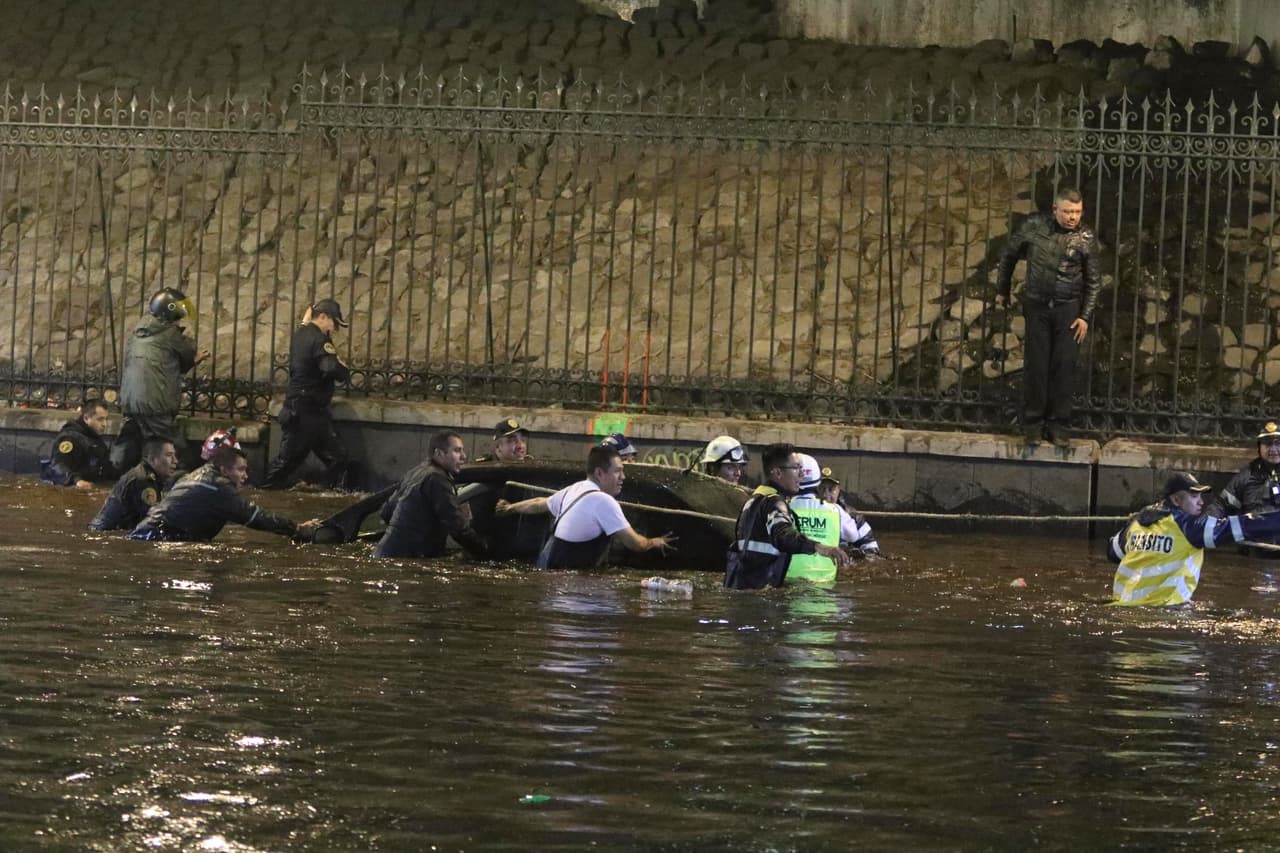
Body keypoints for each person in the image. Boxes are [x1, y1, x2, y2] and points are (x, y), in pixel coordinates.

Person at [995, 186, 1101, 448]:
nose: (1073, 217)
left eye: (1077, 212)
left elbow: (1094, 281)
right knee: (1037, 366)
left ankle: (1059, 425)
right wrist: (1002, 290)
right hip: (1038, 306)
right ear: (1055, 209)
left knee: (1063, 367)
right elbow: (1009, 256)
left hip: (1068, 309)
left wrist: (1085, 316)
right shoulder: (1033, 226)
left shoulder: (1085, 237)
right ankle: (1033, 425)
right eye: (1067, 211)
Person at [1108, 471, 1280, 606]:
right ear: (1176, 500)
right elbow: (1244, 526)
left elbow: (1113, 552)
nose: (1201, 502)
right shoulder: (1189, 527)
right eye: (1194, 496)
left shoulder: (1136, 523)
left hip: (1121, 605)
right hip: (1162, 610)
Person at [495, 445, 675, 569]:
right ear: (599, 473)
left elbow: (538, 503)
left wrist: (510, 508)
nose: (623, 477)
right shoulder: (604, 501)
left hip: (547, 576)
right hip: (571, 586)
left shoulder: (574, 489)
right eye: (617, 471)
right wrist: (654, 542)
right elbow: (635, 544)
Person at [724, 443, 851, 590]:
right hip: (758, 594)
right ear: (778, 473)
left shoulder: (756, 499)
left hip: (740, 587)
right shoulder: (774, 502)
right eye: (796, 468)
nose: (801, 474)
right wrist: (821, 548)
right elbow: (783, 535)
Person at [130, 445, 318, 542]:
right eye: (241, 470)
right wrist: (296, 529)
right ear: (224, 470)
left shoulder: (198, 475)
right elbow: (253, 516)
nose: (245, 476)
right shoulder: (217, 487)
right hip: (154, 539)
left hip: (146, 534)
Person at [112, 287, 207, 472]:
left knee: (128, 440)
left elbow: (162, 363)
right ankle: (183, 478)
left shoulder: (136, 334)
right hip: (155, 403)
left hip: (130, 401)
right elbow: (187, 354)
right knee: (173, 445)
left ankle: (112, 472)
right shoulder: (171, 335)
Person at [260, 299, 351, 490]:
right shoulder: (319, 339)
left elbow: (304, 326)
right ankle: (261, 492)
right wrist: (343, 367)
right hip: (306, 413)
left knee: (338, 458)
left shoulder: (301, 334)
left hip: (307, 410)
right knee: (286, 463)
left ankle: (327, 493)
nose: (334, 329)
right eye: (334, 323)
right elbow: (330, 368)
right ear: (323, 317)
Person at [374, 430, 489, 559]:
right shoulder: (437, 479)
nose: (464, 456)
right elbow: (457, 528)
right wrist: (485, 552)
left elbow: (386, 512)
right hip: (407, 558)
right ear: (439, 453)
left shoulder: (417, 471)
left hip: (385, 554)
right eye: (457, 450)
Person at [89, 438, 178, 531]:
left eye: (174, 455)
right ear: (152, 459)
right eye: (169, 455)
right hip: (105, 531)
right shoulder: (143, 480)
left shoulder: (151, 476)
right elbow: (152, 521)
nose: (175, 461)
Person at [40, 399, 115, 488]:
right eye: (100, 419)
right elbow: (58, 466)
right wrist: (77, 481)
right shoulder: (70, 438)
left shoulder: (95, 438)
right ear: (86, 418)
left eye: (106, 419)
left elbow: (105, 468)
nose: (104, 424)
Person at [1211, 421, 1280, 517]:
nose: (1273, 449)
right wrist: (1208, 520)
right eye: (1268, 444)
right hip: (1254, 526)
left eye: (1278, 443)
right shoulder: (1246, 476)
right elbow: (1221, 505)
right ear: (1259, 448)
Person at [815, 468, 881, 558]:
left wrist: (856, 556)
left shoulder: (853, 517)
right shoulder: (806, 514)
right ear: (815, 490)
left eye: (831, 489)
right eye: (822, 489)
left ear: (838, 490)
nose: (825, 495)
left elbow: (871, 547)